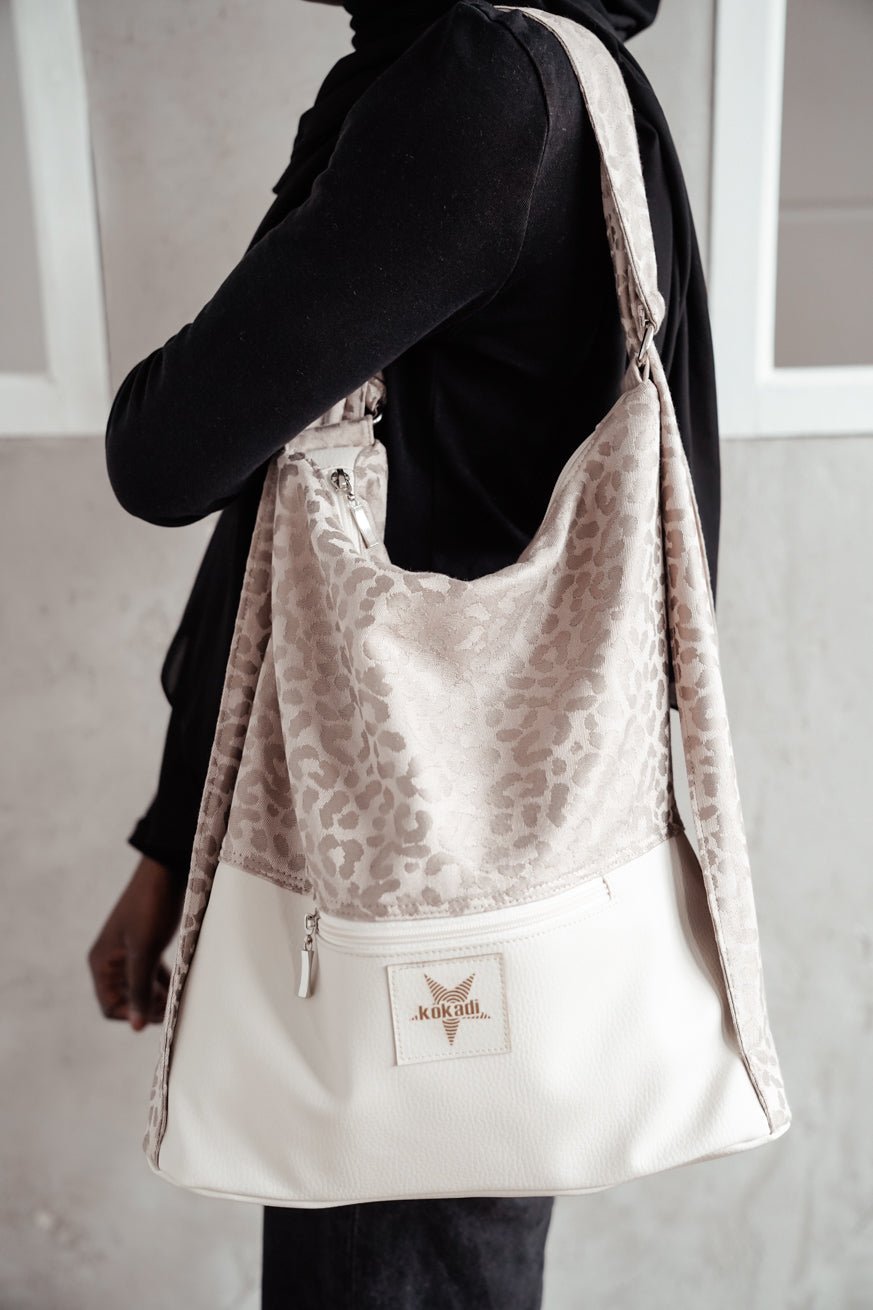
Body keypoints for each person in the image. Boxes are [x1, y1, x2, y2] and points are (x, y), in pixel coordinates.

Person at [87, 0, 721, 1305]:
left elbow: (167, 452)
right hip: (465, 874)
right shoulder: (565, 77)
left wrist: (349, 129)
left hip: (408, 890)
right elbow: (288, 527)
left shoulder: (481, 84)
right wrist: (170, 840)